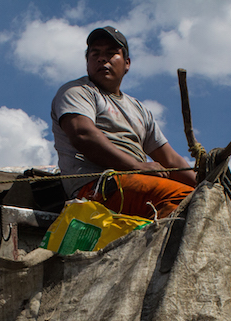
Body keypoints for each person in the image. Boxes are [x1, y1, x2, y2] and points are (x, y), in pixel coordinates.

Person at [51, 26, 196, 219]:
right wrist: (138, 166)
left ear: (127, 63)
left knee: (207, 198)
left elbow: (170, 160)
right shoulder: (78, 91)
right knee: (188, 200)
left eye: (111, 54)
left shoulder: (139, 109)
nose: (102, 58)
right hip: (98, 186)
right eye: (95, 53)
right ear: (87, 62)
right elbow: (82, 135)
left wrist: (206, 182)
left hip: (135, 182)